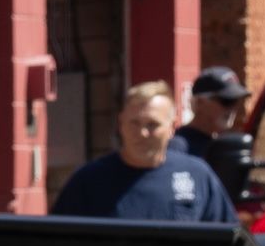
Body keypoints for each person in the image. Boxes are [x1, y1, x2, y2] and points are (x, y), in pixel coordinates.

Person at [51, 82, 236, 224]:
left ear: (172, 128)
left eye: (152, 125)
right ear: (121, 123)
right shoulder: (88, 181)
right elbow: (57, 243)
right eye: (134, 123)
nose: (142, 133)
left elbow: (226, 240)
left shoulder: (197, 176)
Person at [182, 65, 254, 186]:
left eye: (236, 101)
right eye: (226, 101)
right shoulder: (180, 148)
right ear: (200, 103)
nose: (233, 109)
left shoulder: (217, 143)